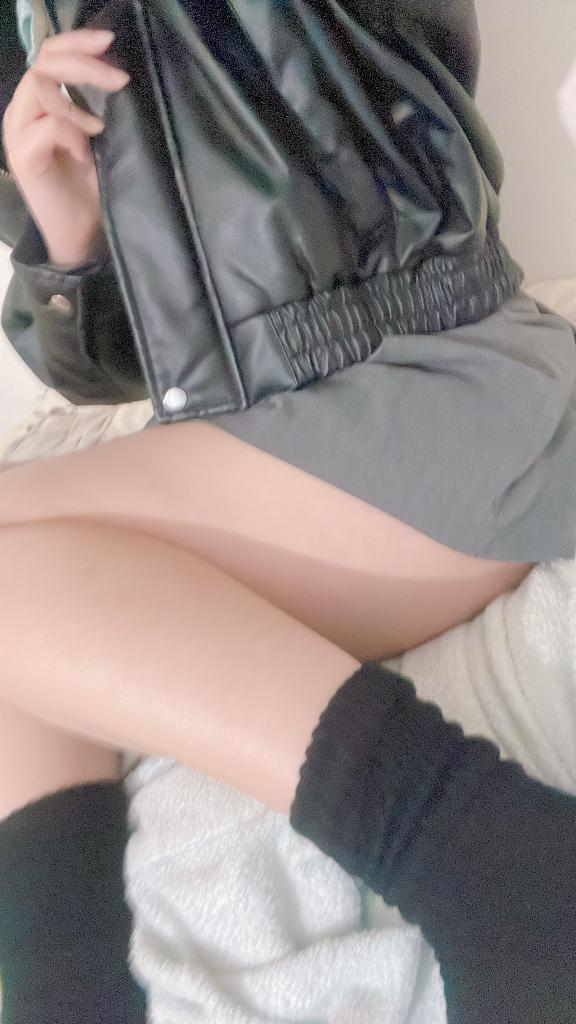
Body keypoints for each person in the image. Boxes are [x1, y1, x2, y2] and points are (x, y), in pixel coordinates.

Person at [0, 3, 575, 1022]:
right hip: (259, 434)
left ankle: (491, 860)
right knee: (34, 593)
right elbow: (127, 373)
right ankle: (68, 994)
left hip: (437, 378)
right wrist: (71, 237)